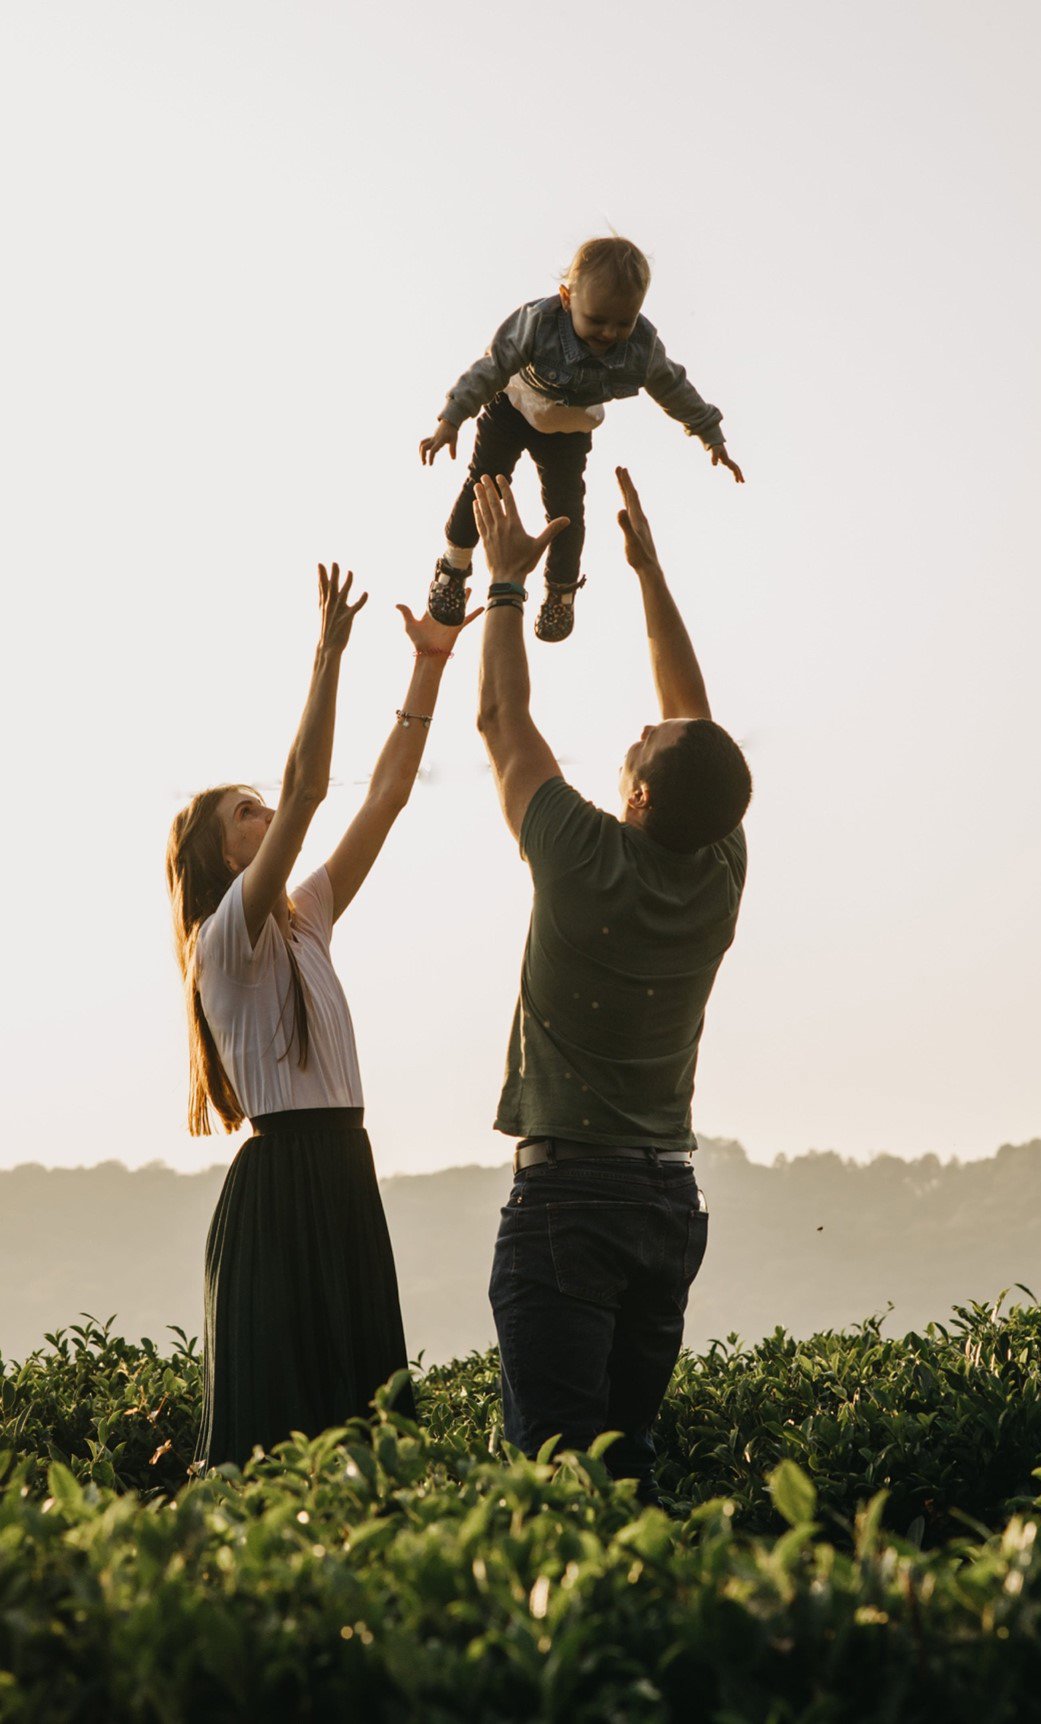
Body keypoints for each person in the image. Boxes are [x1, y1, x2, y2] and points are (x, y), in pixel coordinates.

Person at [470, 467, 752, 1501]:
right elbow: (697, 727)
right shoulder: (717, 865)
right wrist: (647, 574)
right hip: (665, 1199)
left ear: (633, 793)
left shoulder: (583, 855)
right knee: (627, 1473)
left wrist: (505, 585)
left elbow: (502, 721)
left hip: (571, 1197)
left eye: (639, 745)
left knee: (552, 1479)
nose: (640, 726)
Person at [165, 564, 472, 1468]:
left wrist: (430, 666)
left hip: (342, 1170)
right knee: (278, 1443)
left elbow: (383, 798)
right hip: (283, 1187)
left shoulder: (305, 920)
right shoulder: (225, 936)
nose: (267, 816)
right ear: (218, 853)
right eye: (245, 813)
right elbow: (309, 792)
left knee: (367, 1434)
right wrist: (328, 656)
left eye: (260, 806)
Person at [418, 235, 744, 644]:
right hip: (514, 405)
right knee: (485, 482)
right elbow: (493, 365)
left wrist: (709, 434)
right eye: (597, 320)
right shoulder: (538, 322)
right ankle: (454, 564)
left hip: (568, 428)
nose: (609, 333)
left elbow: (674, 388)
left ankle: (561, 590)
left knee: (566, 509)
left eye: (623, 322)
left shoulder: (641, 350)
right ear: (567, 298)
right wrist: (452, 417)